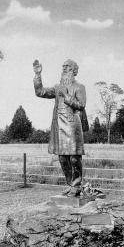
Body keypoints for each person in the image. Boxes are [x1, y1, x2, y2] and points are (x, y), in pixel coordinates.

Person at [33, 59, 87, 197]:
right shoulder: (57, 87)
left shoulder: (79, 87)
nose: (64, 68)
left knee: (74, 158)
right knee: (63, 158)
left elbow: (81, 105)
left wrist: (66, 95)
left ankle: (77, 185)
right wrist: (38, 75)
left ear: (74, 70)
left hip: (73, 126)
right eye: (63, 66)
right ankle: (70, 185)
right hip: (59, 128)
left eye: (67, 67)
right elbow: (40, 92)